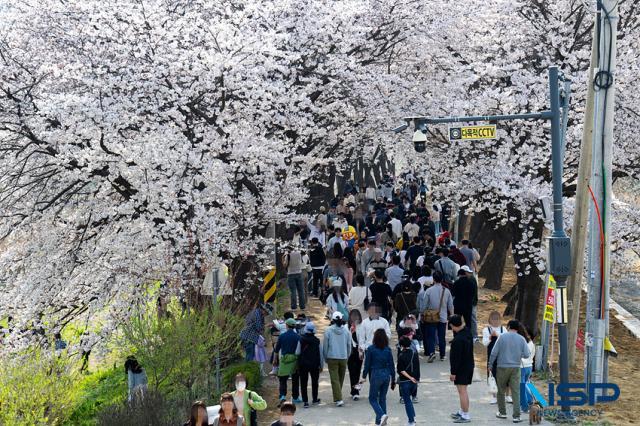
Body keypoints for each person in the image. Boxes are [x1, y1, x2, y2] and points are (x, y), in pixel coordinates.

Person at [489, 320, 531, 423]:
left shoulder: (502, 337)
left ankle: (502, 413)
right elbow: (527, 354)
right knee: (516, 392)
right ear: (517, 328)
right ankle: (516, 416)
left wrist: (490, 364)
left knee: (501, 390)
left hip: (502, 367)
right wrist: (519, 354)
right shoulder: (521, 339)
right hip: (516, 368)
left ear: (508, 327)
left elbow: (494, 352)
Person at [360, 329, 396, 426]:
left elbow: (367, 364)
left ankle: (381, 415)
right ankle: (380, 422)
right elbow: (392, 365)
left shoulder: (371, 349)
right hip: (386, 374)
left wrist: (363, 376)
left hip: (376, 373)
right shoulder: (388, 349)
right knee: (382, 399)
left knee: (372, 398)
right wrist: (393, 379)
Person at [419, 271, 454, 361]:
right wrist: (452, 315)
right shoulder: (446, 291)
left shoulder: (429, 291)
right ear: (442, 279)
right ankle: (442, 355)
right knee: (442, 336)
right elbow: (450, 305)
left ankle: (431, 353)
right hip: (443, 317)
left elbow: (424, 305)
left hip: (431, 317)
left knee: (430, 336)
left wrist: (422, 314)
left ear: (433, 279)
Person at [322, 311, 352, 407]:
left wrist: (325, 356)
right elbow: (349, 345)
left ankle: (338, 398)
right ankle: (337, 397)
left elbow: (325, 345)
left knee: (335, 379)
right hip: (343, 357)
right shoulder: (347, 331)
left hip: (332, 357)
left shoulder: (328, 330)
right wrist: (347, 355)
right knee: (340, 378)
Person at [449, 314, 474, 424]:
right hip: (469, 365)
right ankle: (462, 411)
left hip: (461, 369)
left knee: (462, 392)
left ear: (453, 326)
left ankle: (466, 415)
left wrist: (453, 373)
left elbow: (456, 359)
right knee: (464, 391)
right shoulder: (467, 333)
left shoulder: (457, 340)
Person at [274, 318, 302, 404]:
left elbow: (277, 349)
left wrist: (275, 359)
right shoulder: (298, 337)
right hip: (294, 359)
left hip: (284, 359)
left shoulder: (282, 336)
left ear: (286, 326)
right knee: (295, 379)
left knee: (282, 379)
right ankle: (295, 397)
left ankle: (282, 395)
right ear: (294, 327)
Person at [482, 311, 507, 404]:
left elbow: (506, 340)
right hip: (491, 356)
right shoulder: (486, 330)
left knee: (502, 375)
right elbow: (484, 344)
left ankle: (502, 395)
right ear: (490, 320)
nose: (495, 321)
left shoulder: (503, 329)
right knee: (492, 374)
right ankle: (493, 396)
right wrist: (490, 337)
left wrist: (498, 336)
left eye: (497, 319)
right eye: (493, 319)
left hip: (502, 355)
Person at [397, 336, 420, 426]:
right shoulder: (414, 353)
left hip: (405, 382)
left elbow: (401, 370)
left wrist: (410, 377)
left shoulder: (401, 355)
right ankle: (412, 417)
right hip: (414, 382)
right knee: (409, 401)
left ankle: (411, 420)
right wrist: (416, 380)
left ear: (402, 345)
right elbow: (418, 368)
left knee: (407, 402)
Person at [299, 322, 322, 408]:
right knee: (315, 382)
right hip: (314, 364)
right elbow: (320, 353)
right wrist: (321, 365)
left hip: (303, 364)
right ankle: (315, 399)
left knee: (303, 383)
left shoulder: (301, 339)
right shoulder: (317, 341)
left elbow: (297, 352)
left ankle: (305, 402)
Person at [451, 265, 477, 334]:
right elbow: (473, 293)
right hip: (468, 305)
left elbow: (453, 294)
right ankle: (468, 336)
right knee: (468, 322)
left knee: (456, 321)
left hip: (458, 305)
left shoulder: (456, 283)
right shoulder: (471, 283)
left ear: (459, 275)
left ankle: (456, 336)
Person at [347, 309, 364, 401]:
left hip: (359, 350)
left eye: (356, 316)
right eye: (353, 316)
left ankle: (355, 390)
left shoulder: (361, 326)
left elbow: (362, 339)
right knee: (351, 371)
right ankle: (354, 391)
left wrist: (362, 350)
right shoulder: (346, 327)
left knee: (357, 371)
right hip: (350, 351)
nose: (354, 318)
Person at [518, 326, 536, 414]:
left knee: (522, 386)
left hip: (522, 366)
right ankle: (529, 401)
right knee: (525, 384)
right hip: (529, 366)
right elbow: (532, 354)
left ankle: (524, 406)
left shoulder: (521, 342)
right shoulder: (530, 342)